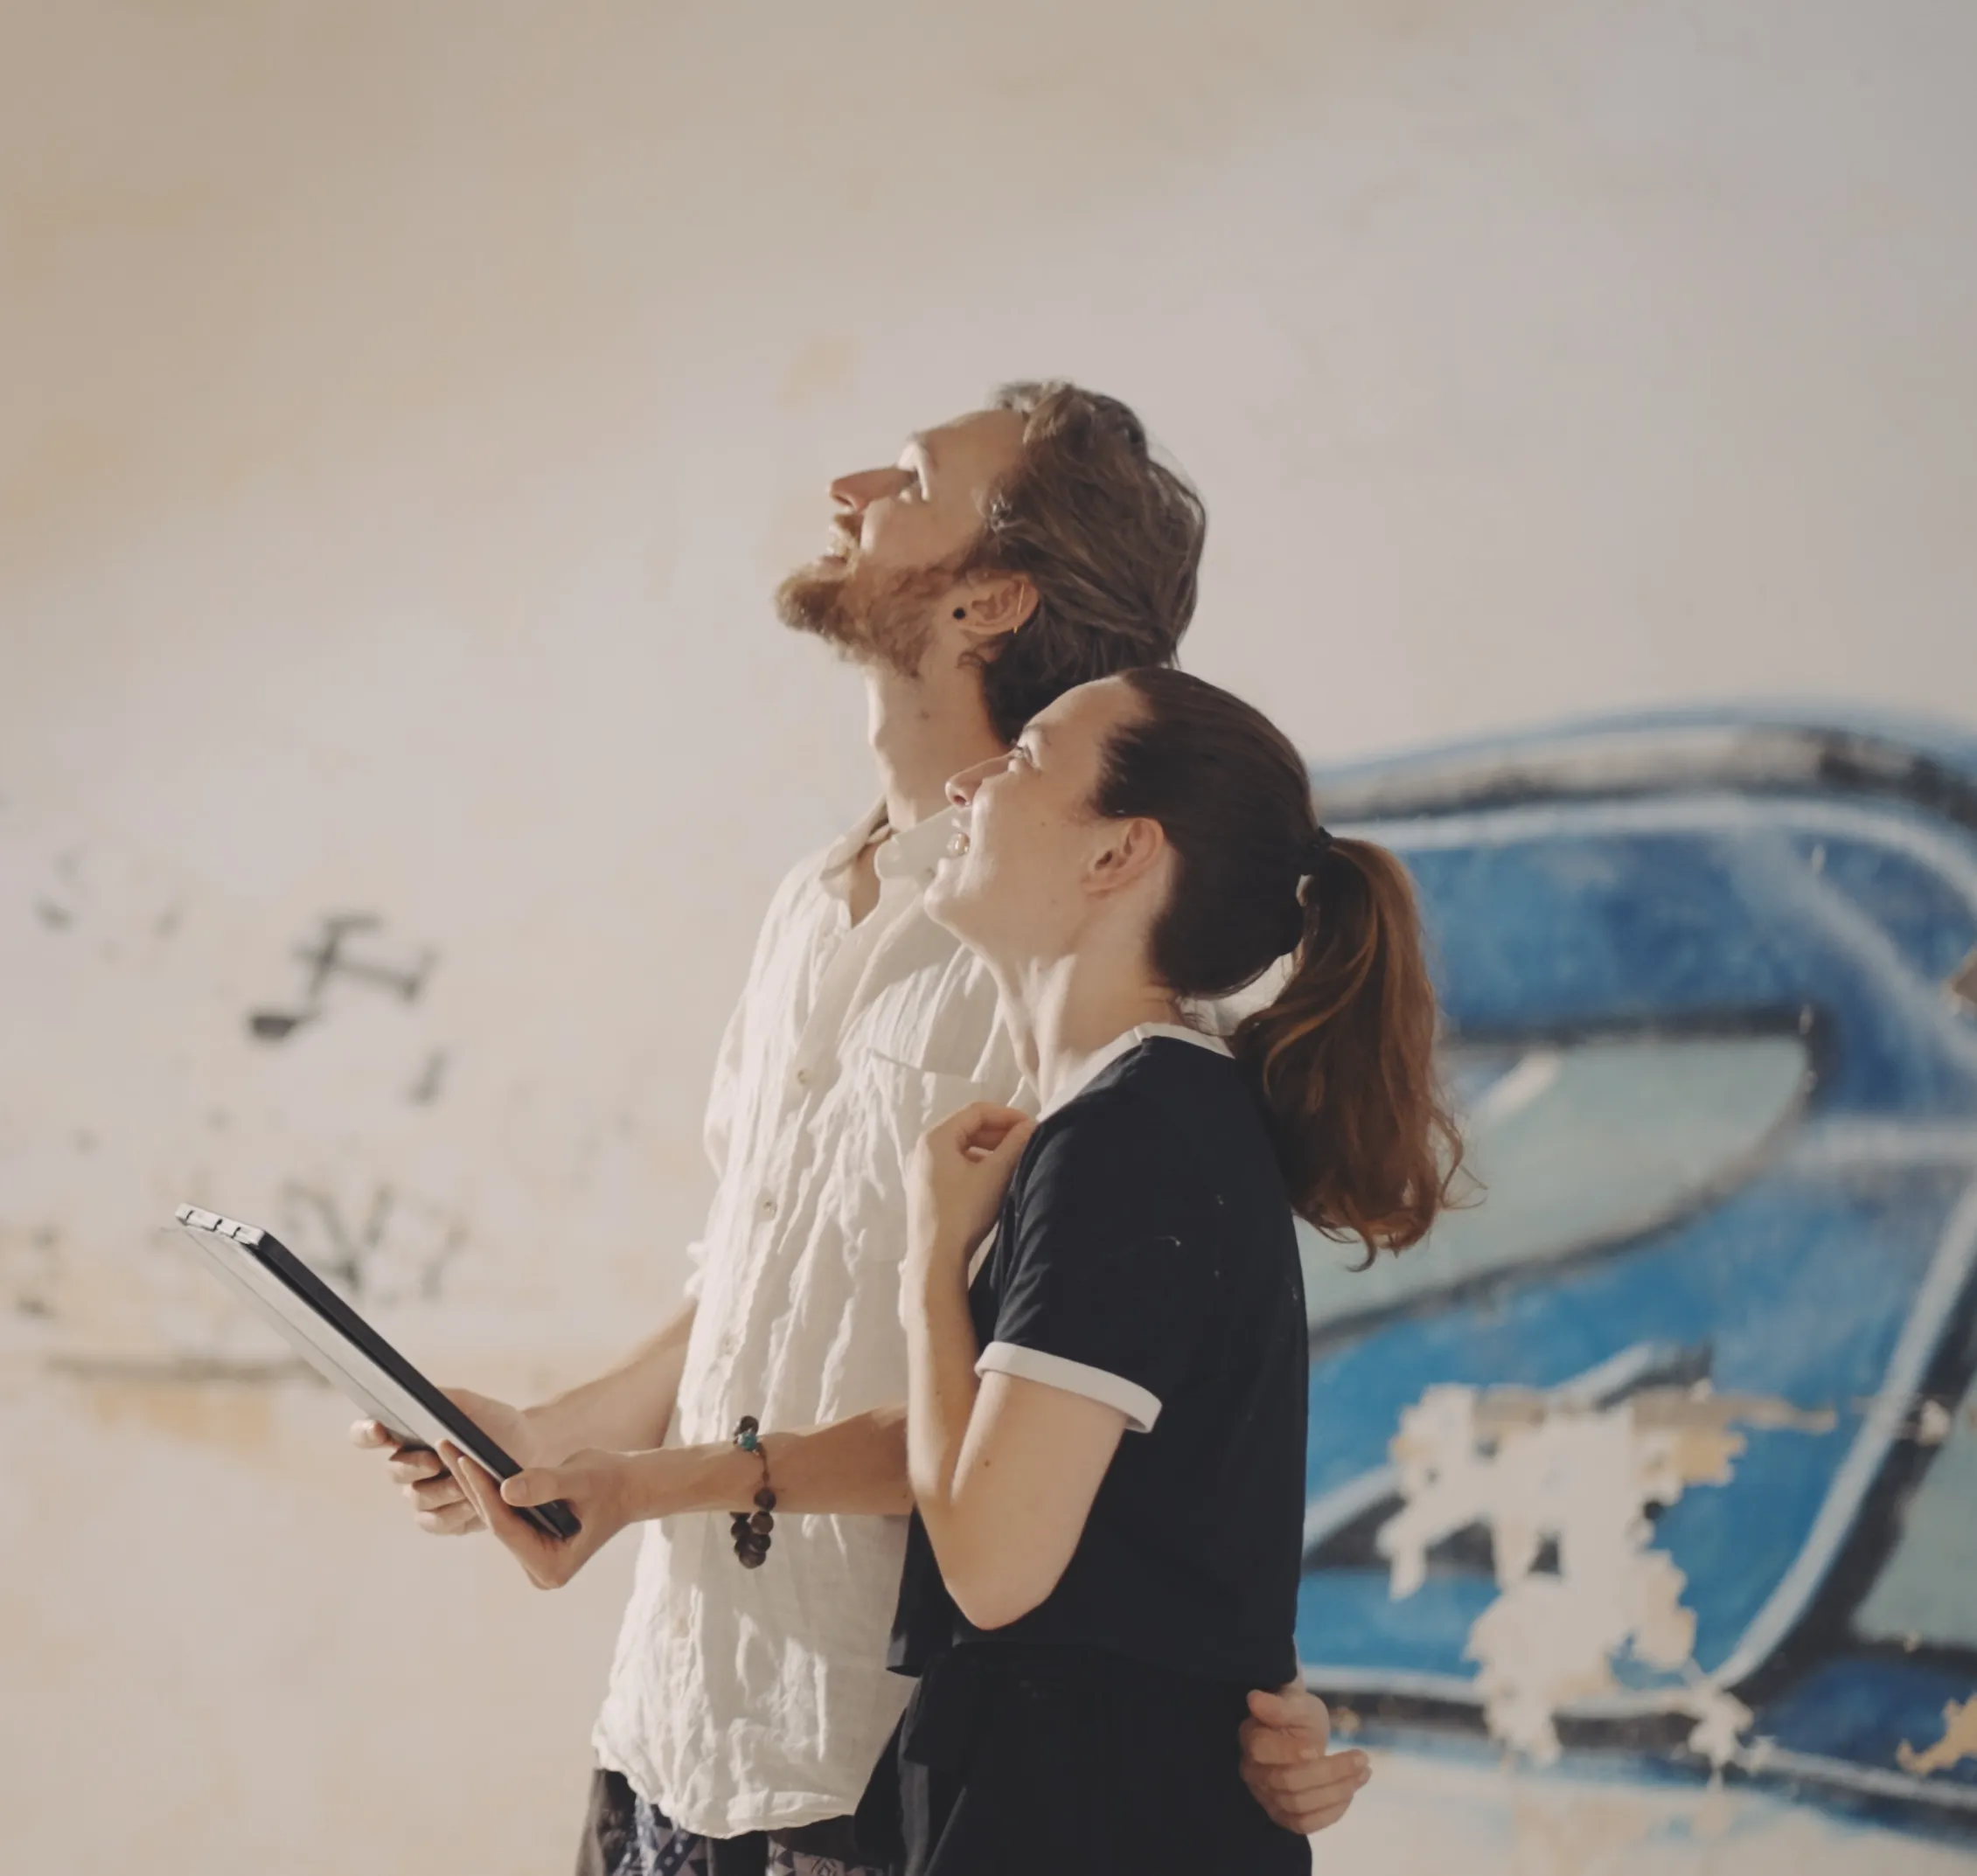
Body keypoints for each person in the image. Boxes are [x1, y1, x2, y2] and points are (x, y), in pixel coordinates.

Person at [364, 385, 1369, 1874]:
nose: (847, 489)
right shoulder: (811, 902)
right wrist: (544, 1439)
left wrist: (1241, 1694)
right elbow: (757, 1292)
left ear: (990, 598)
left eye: (907, 478)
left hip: (874, 1759)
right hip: (669, 1723)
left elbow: (1062, 1406)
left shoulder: (1054, 972)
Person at [843, 665, 1464, 1873]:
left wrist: (929, 1263)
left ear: (1120, 851)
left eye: (1024, 755)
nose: (971, 781)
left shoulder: (1136, 1135)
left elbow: (992, 1564)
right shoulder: (1141, 1116)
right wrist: (636, 1481)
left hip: (1087, 1814)